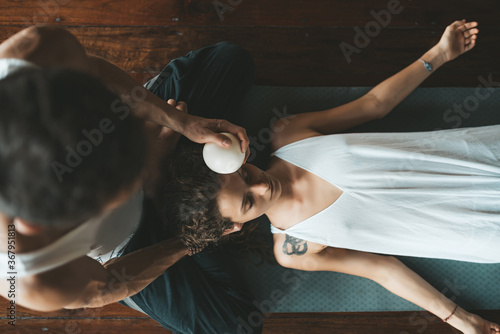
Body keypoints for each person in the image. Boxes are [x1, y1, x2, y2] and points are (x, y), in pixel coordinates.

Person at [164, 19, 500, 334]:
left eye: (246, 174)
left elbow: (374, 105)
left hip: (473, 159)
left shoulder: (288, 132)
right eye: (249, 200)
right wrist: (460, 318)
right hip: (473, 228)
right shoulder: (293, 250)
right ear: (233, 226)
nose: (262, 184)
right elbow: (383, 269)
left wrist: (438, 54)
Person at [0, 25, 263, 334]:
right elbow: (105, 285)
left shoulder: (34, 54)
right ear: (40, 224)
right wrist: (188, 242)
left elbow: (94, 69)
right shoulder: (31, 276)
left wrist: (181, 123)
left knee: (231, 61)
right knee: (238, 328)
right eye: (116, 190)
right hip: (130, 244)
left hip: (146, 137)